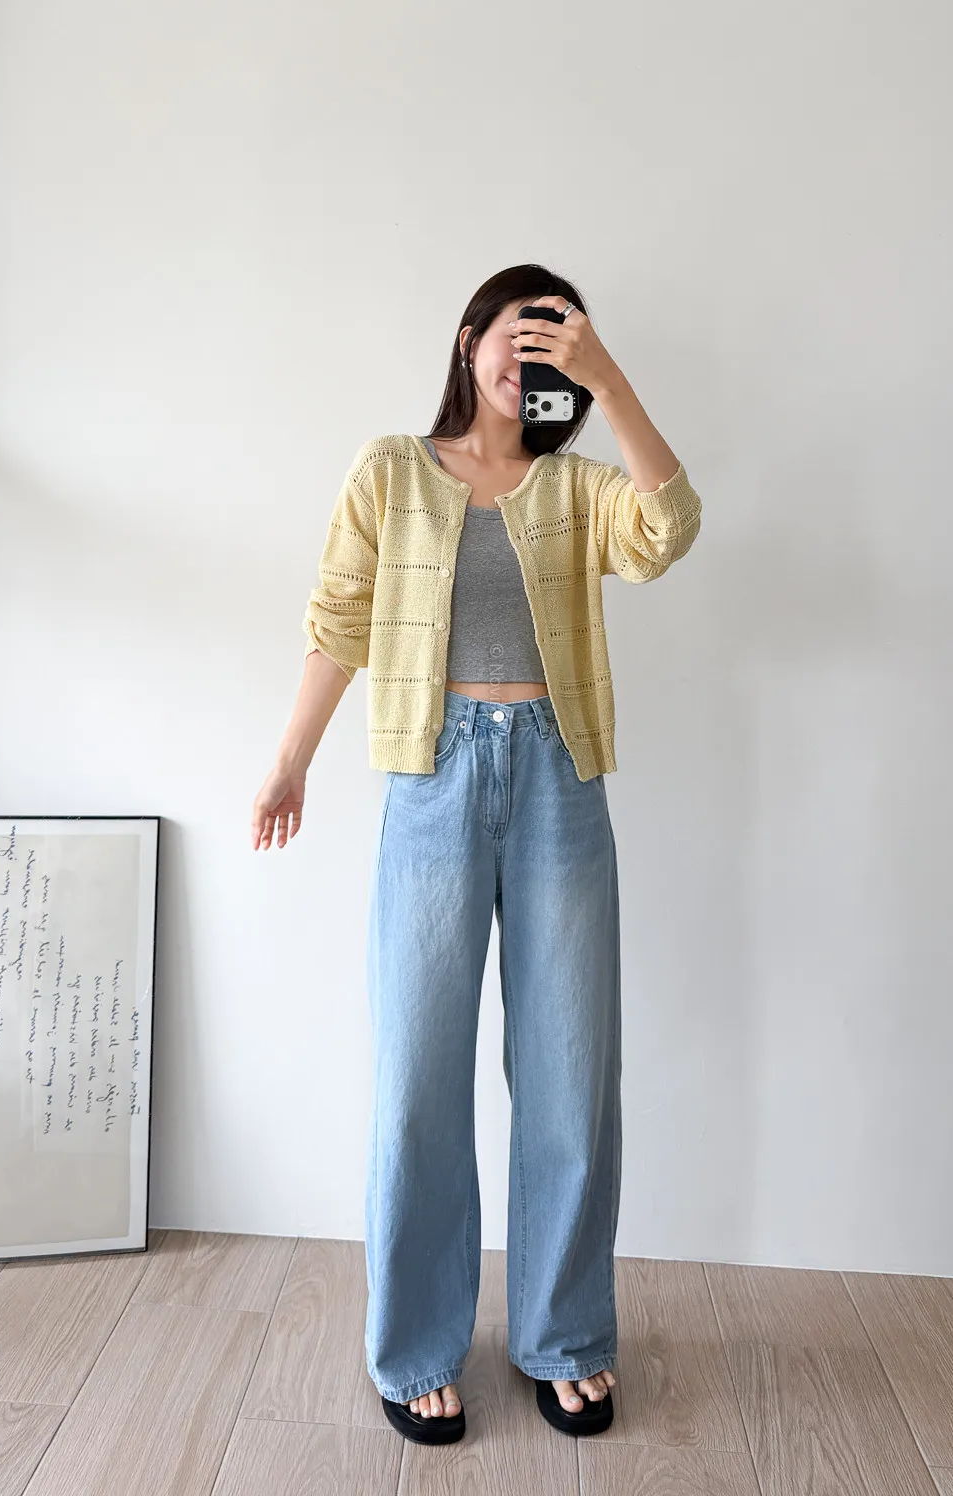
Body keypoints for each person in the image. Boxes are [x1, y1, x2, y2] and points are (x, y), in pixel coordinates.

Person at [251, 263, 702, 1445]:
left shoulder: (576, 486)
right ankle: (413, 1346)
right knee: (417, 1080)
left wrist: (609, 379)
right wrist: (291, 759)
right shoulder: (392, 472)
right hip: (431, 777)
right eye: (520, 332)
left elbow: (668, 529)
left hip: (558, 777)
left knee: (569, 1075)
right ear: (469, 339)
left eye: (557, 347)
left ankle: (563, 1334)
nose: (531, 358)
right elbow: (338, 621)